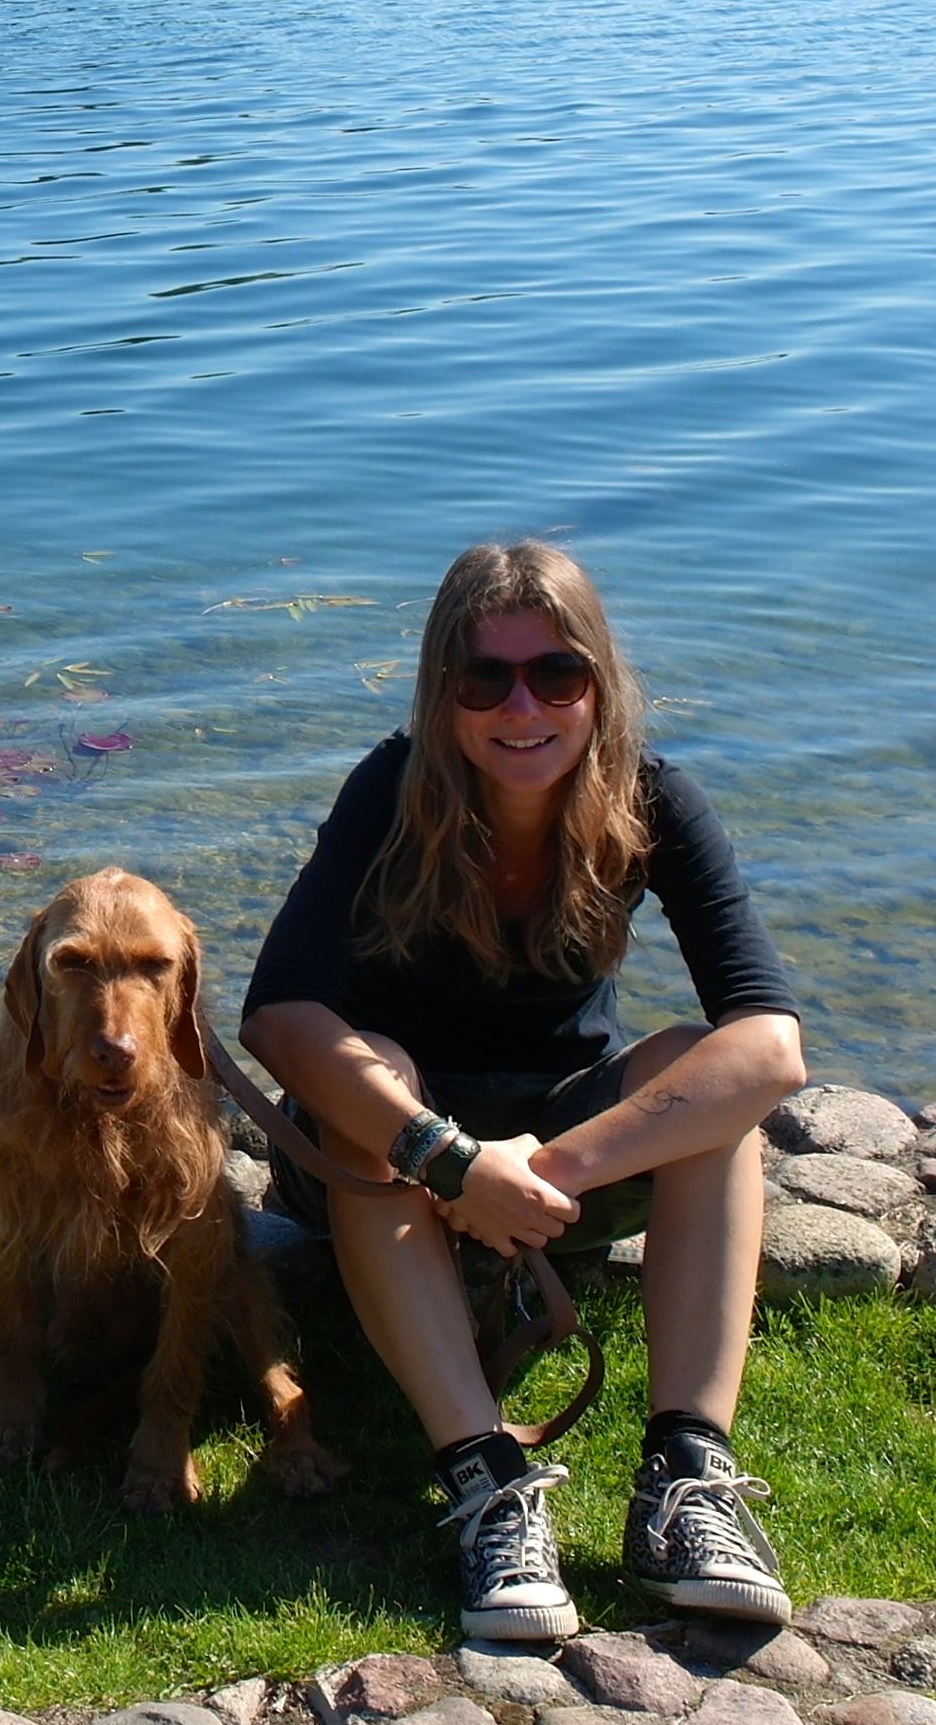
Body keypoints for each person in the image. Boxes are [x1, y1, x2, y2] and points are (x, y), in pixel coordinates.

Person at [241, 538, 806, 1641]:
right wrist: (446, 1160)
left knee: (712, 1082)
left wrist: (539, 1175)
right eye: (482, 677)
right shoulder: (388, 793)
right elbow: (279, 1016)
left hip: (546, 1166)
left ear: (597, 682)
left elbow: (770, 1045)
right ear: (439, 690)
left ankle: (685, 1474)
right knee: (378, 1074)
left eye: (555, 674)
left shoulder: (654, 802)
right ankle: (482, 1476)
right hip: (383, 1162)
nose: (521, 706)